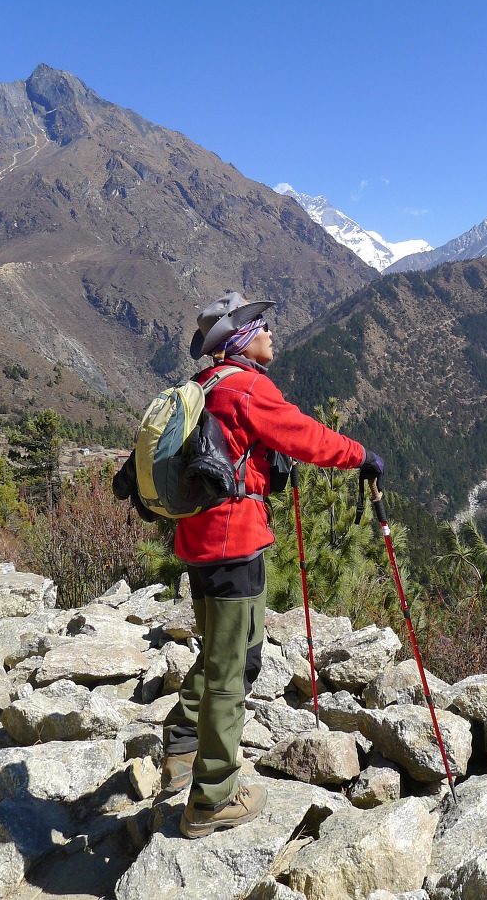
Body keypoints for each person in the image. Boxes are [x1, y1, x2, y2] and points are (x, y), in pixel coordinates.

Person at [161, 291, 384, 839]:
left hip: (199, 540)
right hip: (234, 542)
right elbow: (306, 437)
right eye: (261, 325)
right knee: (234, 664)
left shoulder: (207, 385)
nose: (270, 332)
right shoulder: (247, 387)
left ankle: (182, 746)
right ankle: (211, 797)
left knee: (225, 650)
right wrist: (361, 455)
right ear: (242, 338)